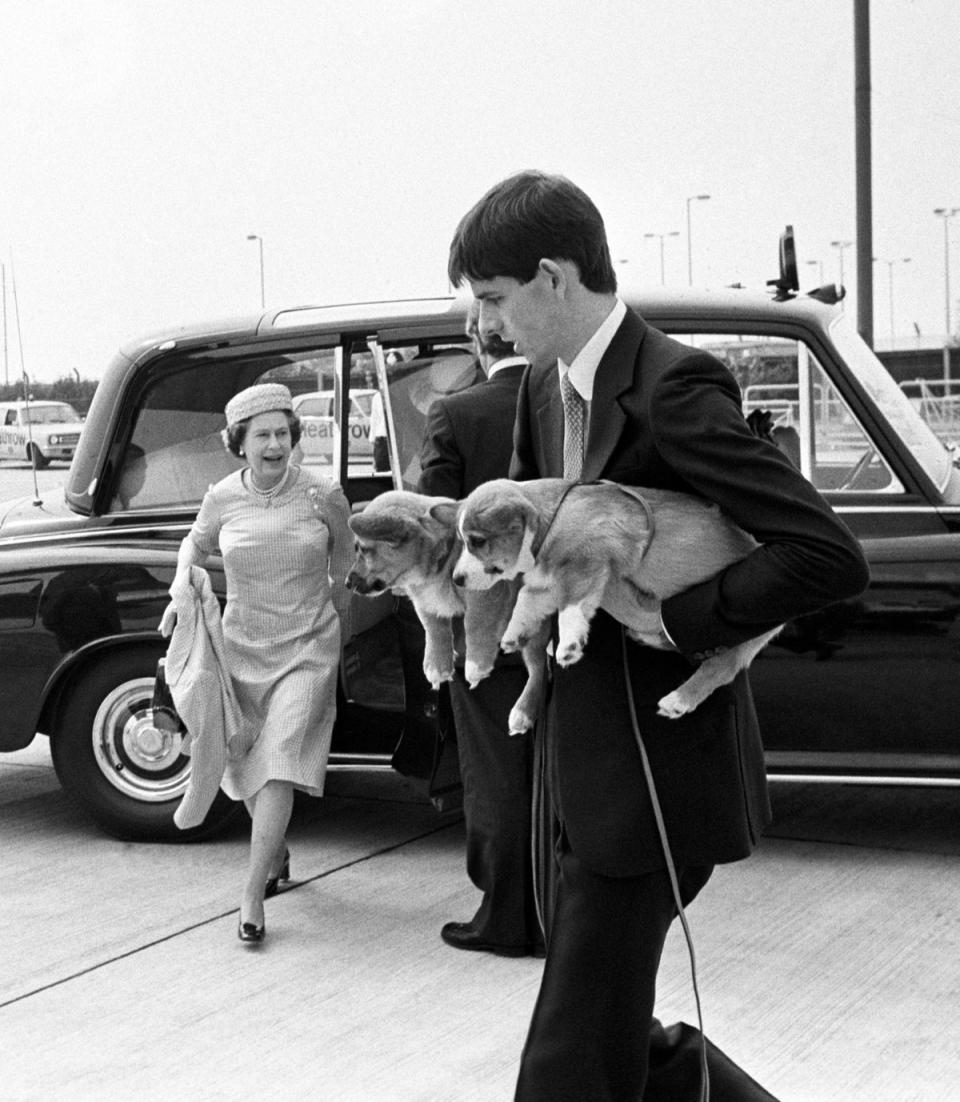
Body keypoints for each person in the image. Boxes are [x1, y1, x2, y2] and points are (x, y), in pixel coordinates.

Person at [448, 171, 870, 1101]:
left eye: (493, 300)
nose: (486, 326)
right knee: (616, 1034)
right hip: (577, 769)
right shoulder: (539, 392)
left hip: (656, 781)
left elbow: (824, 554)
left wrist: (668, 623)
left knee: (571, 1056)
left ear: (554, 278)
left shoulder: (674, 388)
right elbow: (540, 555)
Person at [173, 382, 352, 945]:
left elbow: (344, 565)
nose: (276, 444)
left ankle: (252, 894)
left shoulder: (324, 495)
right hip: (242, 646)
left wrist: (337, 632)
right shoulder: (222, 496)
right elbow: (194, 544)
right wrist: (185, 578)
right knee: (244, 762)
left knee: (279, 763)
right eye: (263, 435)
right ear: (240, 443)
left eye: (284, 433)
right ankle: (275, 854)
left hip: (307, 647)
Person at [418, 302, 543, 958]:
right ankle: (570, 913)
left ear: (476, 341)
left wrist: (440, 632)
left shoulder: (456, 414)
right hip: (571, 618)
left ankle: (506, 916)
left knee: (498, 774)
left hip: (488, 631)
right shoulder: (572, 408)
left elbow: (432, 534)